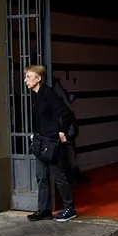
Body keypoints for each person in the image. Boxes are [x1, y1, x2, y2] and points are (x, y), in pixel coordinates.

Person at [24, 65, 78, 223]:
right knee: (41, 176)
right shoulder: (35, 94)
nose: (25, 80)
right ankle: (44, 210)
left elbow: (65, 113)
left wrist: (62, 131)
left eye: (28, 76)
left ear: (38, 78)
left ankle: (69, 208)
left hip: (53, 142)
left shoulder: (48, 92)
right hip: (41, 141)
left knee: (58, 176)